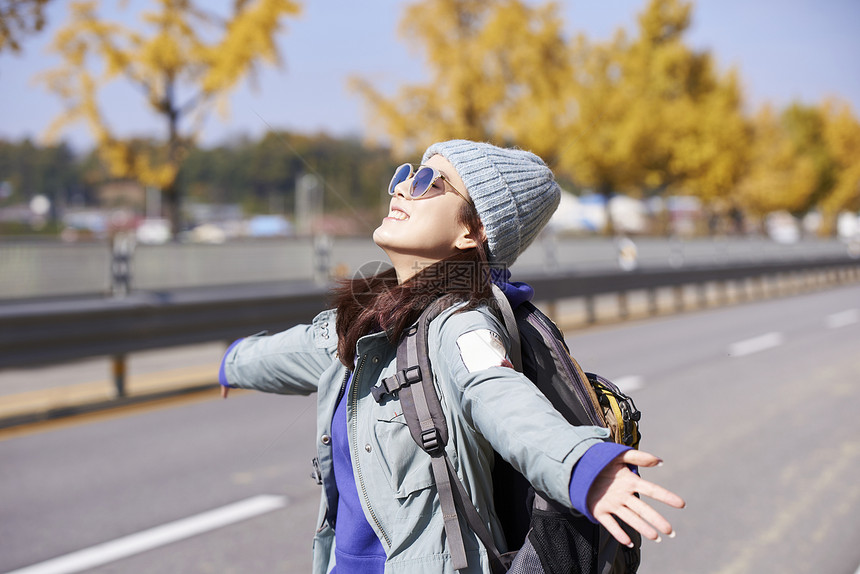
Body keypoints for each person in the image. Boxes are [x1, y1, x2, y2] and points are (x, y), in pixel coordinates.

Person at [219, 140, 685, 574]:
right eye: (405, 174)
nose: (402, 186)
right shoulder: (367, 319)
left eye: (429, 182)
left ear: (473, 230)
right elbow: (298, 348)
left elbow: (500, 398)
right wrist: (233, 362)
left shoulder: (460, 323)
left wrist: (582, 467)